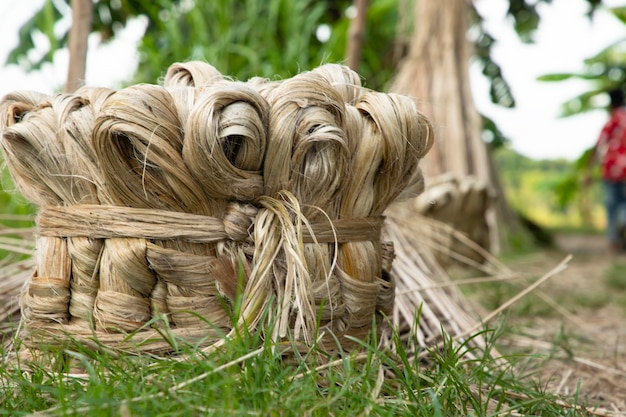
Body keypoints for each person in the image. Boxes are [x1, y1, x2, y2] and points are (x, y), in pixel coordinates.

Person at [586, 87, 626, 252]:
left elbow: (599, 144)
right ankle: (623, 223)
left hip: (611, 170)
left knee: (612, 207)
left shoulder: (612, 121)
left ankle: (614, 241)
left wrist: (588, 170)